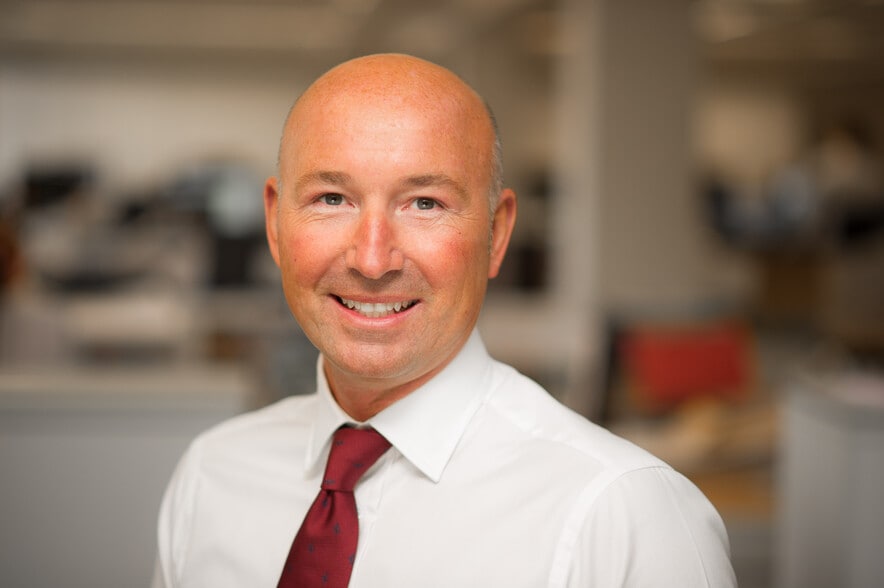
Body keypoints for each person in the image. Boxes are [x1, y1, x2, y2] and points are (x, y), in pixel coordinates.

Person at [152, 53, 736, 587]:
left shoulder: (622, 516)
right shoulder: (211, 478)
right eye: (332, 199)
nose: (372, 259)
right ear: (276, 223)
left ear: (497, 234)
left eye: (425, 204)